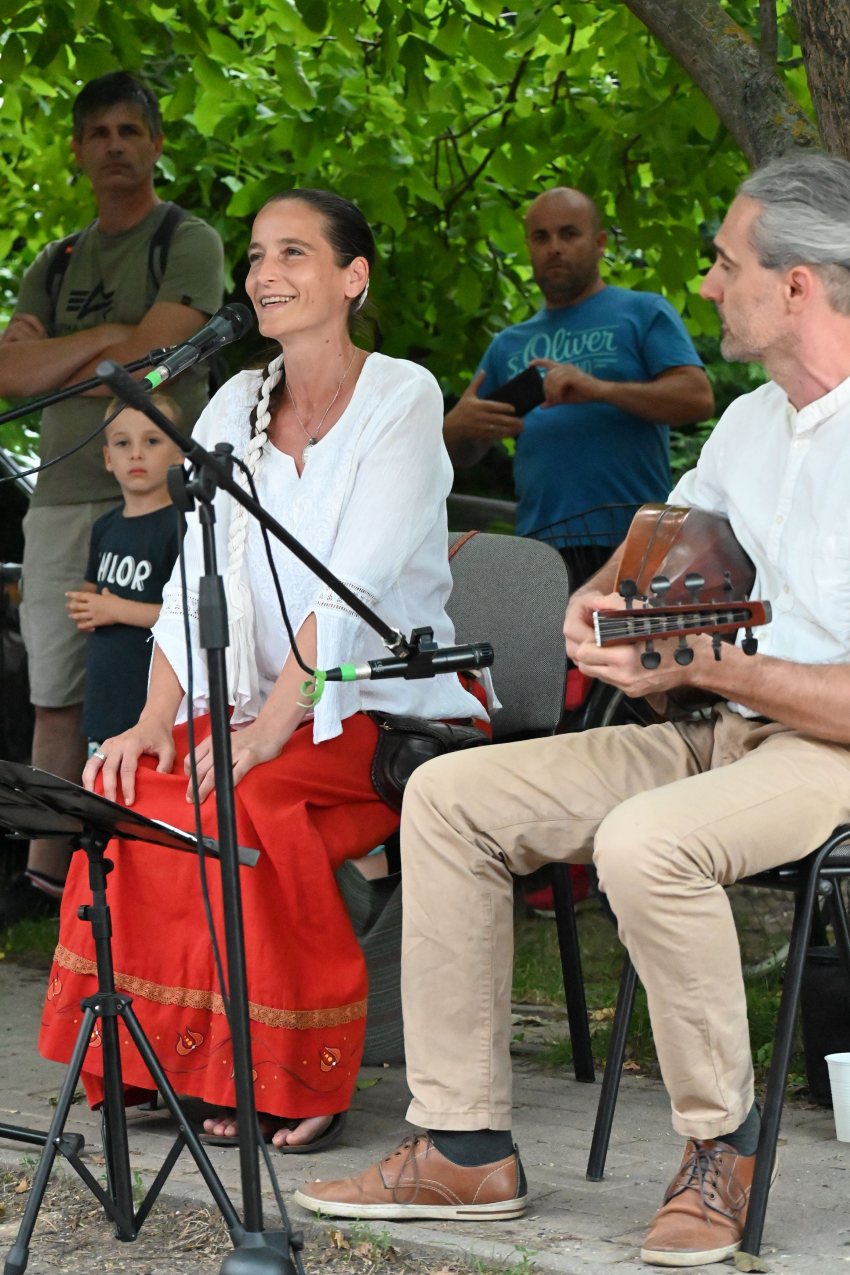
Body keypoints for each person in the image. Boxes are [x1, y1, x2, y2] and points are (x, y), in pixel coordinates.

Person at [296, 152, 850, 1261]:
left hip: (823, 748)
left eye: (723, 264)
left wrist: (711, 663)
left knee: (646, 844)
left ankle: (716, 1154)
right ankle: (461, 1149)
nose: (704, 287)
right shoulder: (747, 426)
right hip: (713, 733)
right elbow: (665, 552)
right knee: (448, 795)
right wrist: (608, 607)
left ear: (795, 285)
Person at [38, 188, 491, 1152]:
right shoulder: (238, 402)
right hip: (254, 706)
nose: (264, 274)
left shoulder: (401, 396)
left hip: (390, 708)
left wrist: (266, 729)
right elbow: (199, 571)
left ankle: (294, 1073)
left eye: (293, 253)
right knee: (138, 787)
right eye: (254, 256)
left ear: (352, 277)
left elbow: (355, 586)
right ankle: (161, 1056)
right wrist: (157, 716)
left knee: (248, 799)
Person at [0, 71, 225, 925]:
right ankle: (48, 879)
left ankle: (150, 867)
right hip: (60, 496)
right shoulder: (54, 260)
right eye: (99, 134)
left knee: (159, 675)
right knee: (57, 687)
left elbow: (154, 366)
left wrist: (77, 359)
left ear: (157, 143)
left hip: (159, 494)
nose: (116, 147)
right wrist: (105, 346)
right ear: (79, 151)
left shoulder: (187, 240)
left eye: (132, 131)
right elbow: (8, 374)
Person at [444, 187, 713, 585]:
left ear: (600, 243)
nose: (554, 248)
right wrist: (455, 427)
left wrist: (600, 389)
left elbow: (698, 398)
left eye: (569, 234)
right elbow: (462, 455)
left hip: (636, 540)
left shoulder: (642, 312)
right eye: (541, 237)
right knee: (547, 650)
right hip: (540, 548)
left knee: (637, 650)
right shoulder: (508, 344)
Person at [66, 396, 185, 746]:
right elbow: (93, 591)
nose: (136, 453)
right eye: (122, 443)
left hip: (154, 706)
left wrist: (115, 609)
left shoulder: (182, 525)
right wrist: (85, 607)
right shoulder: (104, 527)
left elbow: (188, 615)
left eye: (152, 440)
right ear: (108, 458)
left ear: (180, 452)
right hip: (104, 700)